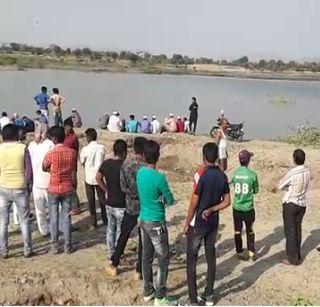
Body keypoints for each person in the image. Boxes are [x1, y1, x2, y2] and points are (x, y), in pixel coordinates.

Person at [183, 142, 230, 306]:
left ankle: (193, 299)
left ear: (204, 158)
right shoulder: (222, 176)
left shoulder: (201, 175)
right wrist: (212, 209)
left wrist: (186, 223)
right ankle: (209, 294)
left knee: (192, 260)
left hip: (197, 224)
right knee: (211, 258)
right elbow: (227, 201)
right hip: (212, 223)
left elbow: (193, 203)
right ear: (216, 157)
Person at [137, 140, 176, 306]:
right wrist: (160, 199)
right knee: (162, 259)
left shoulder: (139, 173)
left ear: (144, 156)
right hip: (157, 222)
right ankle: (160, 297)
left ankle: (148, 291)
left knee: (146, 257)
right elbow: (170, 199)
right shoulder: (160, 178)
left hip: (143, 219)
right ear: (158, 157)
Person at [105, 137, 147, 279]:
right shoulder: (146, 167)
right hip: (144, 207)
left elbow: (123, 186)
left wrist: (132, 194)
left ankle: (114, 263)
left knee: (123, 235)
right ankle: (139, 270)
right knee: (143, 240)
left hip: (130, 206)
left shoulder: (126, 165)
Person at [0, 124, 33, 258]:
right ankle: (27, 249)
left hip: (3, 188)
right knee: (24, 220)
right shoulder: (23, 148)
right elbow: (29, 171)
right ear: (16, 135)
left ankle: (4, 250)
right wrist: (29, 186)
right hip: (20, 187)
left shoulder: (0, 149)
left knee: (3, 222)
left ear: (3, 136)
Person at [42, 126, 77, 254]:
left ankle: (55, 246)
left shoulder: (51, 153)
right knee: (67, 218)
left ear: (55, 139)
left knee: (54, 217)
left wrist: (52, 170)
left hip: (54, 187)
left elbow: (44, 167)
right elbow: (73, 168)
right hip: (67, 187)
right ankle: (68, 246)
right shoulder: (72, 152)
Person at [96, 139, 127, 259]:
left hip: (109, 202)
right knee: (120, 229)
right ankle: (118, 253)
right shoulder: (125, 166)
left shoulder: (106, 163)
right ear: (124, 152)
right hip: (121, 203)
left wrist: (106, 189)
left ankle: (111, 252)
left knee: (110, 228)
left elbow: (98, 178)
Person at [278, 149, 310, 266]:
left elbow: (280, 185)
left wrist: (289, 188)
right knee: (297, 229)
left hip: (291, 203)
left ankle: (292, 258)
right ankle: (297, 255)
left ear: (294, 159)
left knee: (290, 231)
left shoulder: (293, 172)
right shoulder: (307, 171)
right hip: (302, 203)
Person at [231, 150, 259, 261]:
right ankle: (251, 252)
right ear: (248, 161)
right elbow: (256, 191)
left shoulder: (235, 173)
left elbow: (234, 185)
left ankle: (239, 251)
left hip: (237, 207)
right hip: (248, 208)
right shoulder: (252, 175)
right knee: (250, 230)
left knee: (237, 230)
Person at [80, 128, 107, 228]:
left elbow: (82, 161)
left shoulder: (85, 149)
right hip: (99, 176)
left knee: (91, 200)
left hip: (89, 177)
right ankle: (105, 218)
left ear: (88, 137)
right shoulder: (102, 148)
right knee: (102, 199)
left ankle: (93, 222)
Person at [28, 133, 54, 236]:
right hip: (36, 182)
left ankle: (54, 228)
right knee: (39, 209)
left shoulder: (50, 144)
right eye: (37, 132)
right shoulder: (31, 145)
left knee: (53, 208)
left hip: (48, 181)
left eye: (41, 132)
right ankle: (44, 230)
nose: (39, 135)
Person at [63, 118, 81, 216]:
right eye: (66, 126)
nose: (68, 128)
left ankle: (76, 206)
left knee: (73, 185)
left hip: (72, 164)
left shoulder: (74, 138)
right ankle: (71, 204)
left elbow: (76, 150)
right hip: (63, 164)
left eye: (69, 126)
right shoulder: (62, 136)